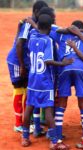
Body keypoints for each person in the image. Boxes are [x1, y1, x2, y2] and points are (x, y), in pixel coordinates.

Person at [22, 14, 73, 150]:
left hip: (33, 79)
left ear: (38, 25)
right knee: (49, 110)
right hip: (45, 81)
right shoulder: (48, 40)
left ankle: (25, 137)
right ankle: (54, 141)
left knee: (29, 107)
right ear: (50, 28)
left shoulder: (32, 37)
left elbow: (33, 30)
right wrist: (62, 63)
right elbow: (47, 61)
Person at [6, 0, 48, 132]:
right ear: (36, 12)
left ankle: (26, 121)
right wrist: (22, 65)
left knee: (26, 90)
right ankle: (18, 123)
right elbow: (19, 44)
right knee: (19, 89)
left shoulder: (33, 24)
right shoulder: (28, 25)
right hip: (18, 61)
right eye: (42, 12)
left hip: (25, 61)